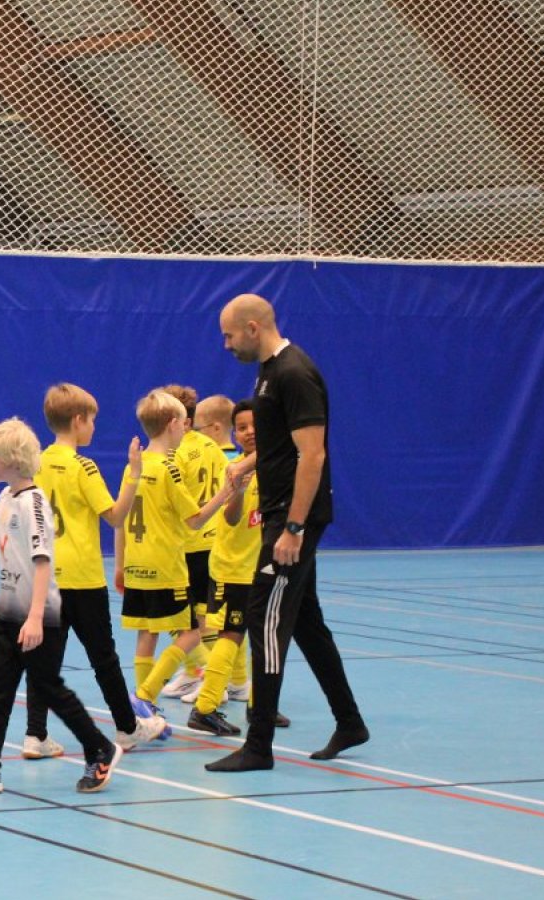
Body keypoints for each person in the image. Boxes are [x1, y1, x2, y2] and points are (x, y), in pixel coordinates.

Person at [207, 293, 369, 772]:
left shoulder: (294, 373)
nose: (226, 344)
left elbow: (312, 454)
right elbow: (284, 442)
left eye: (229, 335)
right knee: (305, 622)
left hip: (291, 520)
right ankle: (350, 722)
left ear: (253, 328)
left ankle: (258, 745)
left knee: (265, 621)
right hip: (280, 512)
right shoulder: (268, 372)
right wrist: (248, 465)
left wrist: (294, 527)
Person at [0, 418, 120, 794]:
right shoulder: (7, 499)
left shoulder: (34, 503)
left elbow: (42, 561)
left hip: (37, 617)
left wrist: (36, 617)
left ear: (9, 459)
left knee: (49, 687)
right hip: (6, 612)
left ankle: (100, 748)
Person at [21, 384, 166, 759]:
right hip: (83, 577)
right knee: (104, 658)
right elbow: (115, 516)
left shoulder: (35, 464)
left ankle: (35, 735)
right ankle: (127, 728)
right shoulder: (82, 467)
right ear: (77, 420)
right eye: (92, 420)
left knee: (45, 660)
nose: (94, 427)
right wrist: (133, 475)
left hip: (46, 576)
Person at [113, 391, 245, 720]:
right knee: (191, 632)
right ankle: (145, 694)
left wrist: (120, 563)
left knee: (147, 632)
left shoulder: (134, 466)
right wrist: (226, 493)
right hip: (167, 565)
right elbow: (195, 519)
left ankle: (145, 711)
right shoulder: (169, 469)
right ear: (174, 424)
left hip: (136, 563)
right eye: (185, 424)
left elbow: (120, 519)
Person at [184, 400, 261, 736]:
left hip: (261, 566)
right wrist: (239, 491)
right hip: (234, 568)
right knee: (230, 635)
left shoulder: (276, 467)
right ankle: (205, 708)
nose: (249, 432)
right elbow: (230, 517)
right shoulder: (233, 468)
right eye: (241, 428)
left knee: (263, 637)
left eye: (255, 425)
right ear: (234, 433)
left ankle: (261, 705)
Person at [156, 384, 227, 701]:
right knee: (199, 615)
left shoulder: (174, 452)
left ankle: (210, 676)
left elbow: (171, 500)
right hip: (211, 540)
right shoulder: (211, 445)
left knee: (178, 615)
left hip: (184, 542)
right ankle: (194, 672)